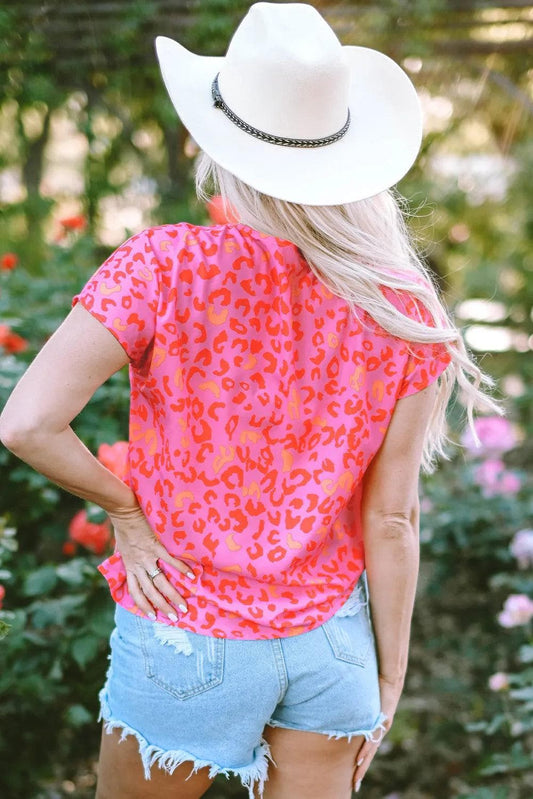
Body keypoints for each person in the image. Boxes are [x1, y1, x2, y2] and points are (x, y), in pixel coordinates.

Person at [0, 3, 501, 799]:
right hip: (332, 647)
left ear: (218, 141)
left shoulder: (166, 265)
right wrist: (388, 678)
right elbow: (393, 517)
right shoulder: (402, 307)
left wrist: (124, 513)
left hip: (187, 633)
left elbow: (26, 423)